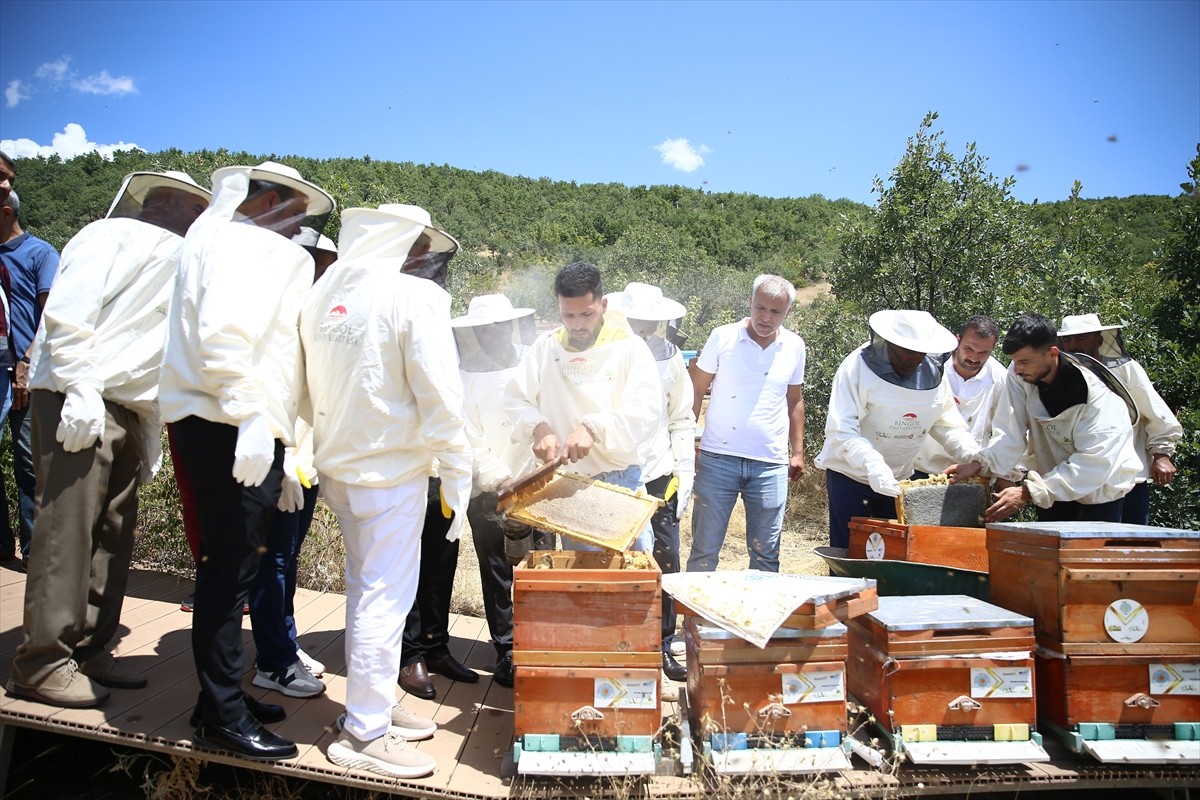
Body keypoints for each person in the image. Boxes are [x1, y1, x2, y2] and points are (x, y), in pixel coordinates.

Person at [6, 172, 210, 708]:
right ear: (163, 200)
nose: (197, 219)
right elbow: (69, 314)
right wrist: (79, 387)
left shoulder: (173, 256)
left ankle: (90, 648)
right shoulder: (106, 236)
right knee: (67, 529)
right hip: (81, 398)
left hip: (128, 407)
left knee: (113, 535)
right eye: (193, 207)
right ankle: (40, 662)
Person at [160, 161, 334, 762]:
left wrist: (283, 440)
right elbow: (227, 336)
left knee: (240, 562)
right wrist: (254, 416)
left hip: (238, 422)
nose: (296, 227)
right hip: (226, 422)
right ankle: (221, 716)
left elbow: (274, 350)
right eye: (291, 211)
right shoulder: (237, 243)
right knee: (228, 569)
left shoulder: (228, 241)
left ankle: (222, 697)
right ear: (264, 203)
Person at [301, 203, 471, 779]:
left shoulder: (325, 292)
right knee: (385, 597)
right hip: (392, 474)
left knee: (362, 589)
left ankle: (370, 705)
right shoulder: (413, 297)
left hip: (339, 471)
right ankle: (365, 733)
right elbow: (440, 392)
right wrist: (458, 466)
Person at [505, 262, 662, 552]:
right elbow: (515, 399)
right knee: (586, 586)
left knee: (631, 583)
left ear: (603, 305)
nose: (577, 324)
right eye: (568, 315)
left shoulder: (630, 347)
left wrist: (594, 427)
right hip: (570, 484)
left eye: (586, 314)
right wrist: (538, 426)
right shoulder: (546, 347)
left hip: (620, 481)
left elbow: (648, 409)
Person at [391, 208, 480, 700]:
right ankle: (408, 656)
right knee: (406, 563)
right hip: (406, 464)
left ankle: (436, 644)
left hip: (441, 467)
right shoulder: (393, 312)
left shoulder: (435, 317)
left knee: (442, 558)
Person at [247, 228, 339, 697]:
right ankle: (273, 660)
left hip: (307, 460)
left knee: (288, 558)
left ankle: (284, 641)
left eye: (327, 263)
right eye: (318, 261)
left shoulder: (315, 315)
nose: (324, 272)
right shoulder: (274, 313)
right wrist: (281, 461)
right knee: (274, 561)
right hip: (279, 457)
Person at [815, 310, 983, 549]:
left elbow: (946, 424)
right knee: (850, 553)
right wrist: (872, 464)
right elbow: (842, 431)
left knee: (892, 554)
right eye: (907, 351)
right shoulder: (855, 368)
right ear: (889, 343)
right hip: (851, 478)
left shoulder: (934, 373)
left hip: (899, 481)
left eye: (920, 353)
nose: (914, 359)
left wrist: (972, 454)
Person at [951, 313, 1141, 523]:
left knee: (1087, 553)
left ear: (1052, 353)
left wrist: (1028, 492)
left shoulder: (1097, 399)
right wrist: (981, 463)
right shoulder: (1018, 374)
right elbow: (1009, 433)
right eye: (1014, 361)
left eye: (1024, 361)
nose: (1018, 369)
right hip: (1051, 487)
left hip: (1101, 491)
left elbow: (1094, 464)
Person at [605, 282, 695, 681]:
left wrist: (685, 470)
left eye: (649, 324)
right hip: (612, 473)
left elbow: (681, 418)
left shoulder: (671, 359)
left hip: (658, 475)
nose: (643, 331)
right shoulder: (604, 354)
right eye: (636, 323)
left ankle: (660, 645)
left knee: (664, 559)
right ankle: (615, 643)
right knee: (613, 562)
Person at [686, 275, 806, 573]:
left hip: (769, 463)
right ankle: (693, 620)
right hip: (717, 459)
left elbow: (795, 400)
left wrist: (798, 452)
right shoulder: (722, 336)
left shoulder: (794, 346)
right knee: (704, 550)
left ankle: (760, 619)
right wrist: (685, 442)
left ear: (788, 312)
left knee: (766, 556)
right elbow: (696, 389)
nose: (765, 317)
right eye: (760, 308)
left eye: (775, 312)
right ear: (750, 303)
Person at [451, 294, 539, 691]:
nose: (493, 334)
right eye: (485, 329)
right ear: (475, 331)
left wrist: (533, 474)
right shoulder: (462, 377)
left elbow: (547, 417)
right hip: (487, 488)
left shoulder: (534, 364)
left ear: (511, 326)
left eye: (499, 326)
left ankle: (538, 644)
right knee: (498, 569)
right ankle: (506, 648)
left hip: (538, 484)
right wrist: (498, 477)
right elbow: (466, 437)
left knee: (540, 566)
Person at [1057, 313, 1182, 525]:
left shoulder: (1125, 370)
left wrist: (1161, 454)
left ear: (1098, 340)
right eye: (1067, 340)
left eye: (1081, 339)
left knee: (1130, 547)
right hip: (1078, 481)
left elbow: (1154, 410)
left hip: (1127, 477)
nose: (1073, 345)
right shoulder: (1060, 375)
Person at [0, 189, 60, 569]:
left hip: (26, 373)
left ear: (6, 212)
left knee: (30, 466)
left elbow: (51, 316)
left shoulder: (40, 254)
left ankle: (37, 551)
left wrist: (26, 363)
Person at [913, 315, 1007, 476]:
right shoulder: (932, 368)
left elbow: (1007, 429)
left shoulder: (999, 377)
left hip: (970, 470)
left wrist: (1003, 472)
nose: (974, 357)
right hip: (921, 467)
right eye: (969, 349)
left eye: (983, 352)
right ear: (957, 340)